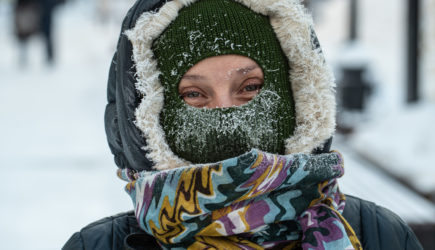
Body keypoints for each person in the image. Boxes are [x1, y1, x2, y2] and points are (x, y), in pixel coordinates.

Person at [63, 0, 423, 249]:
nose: (226, 117)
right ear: (151, 116)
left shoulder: (380, 236)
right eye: (193, 94)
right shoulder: (97, 246)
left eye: (250, 88)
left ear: (297, 96)